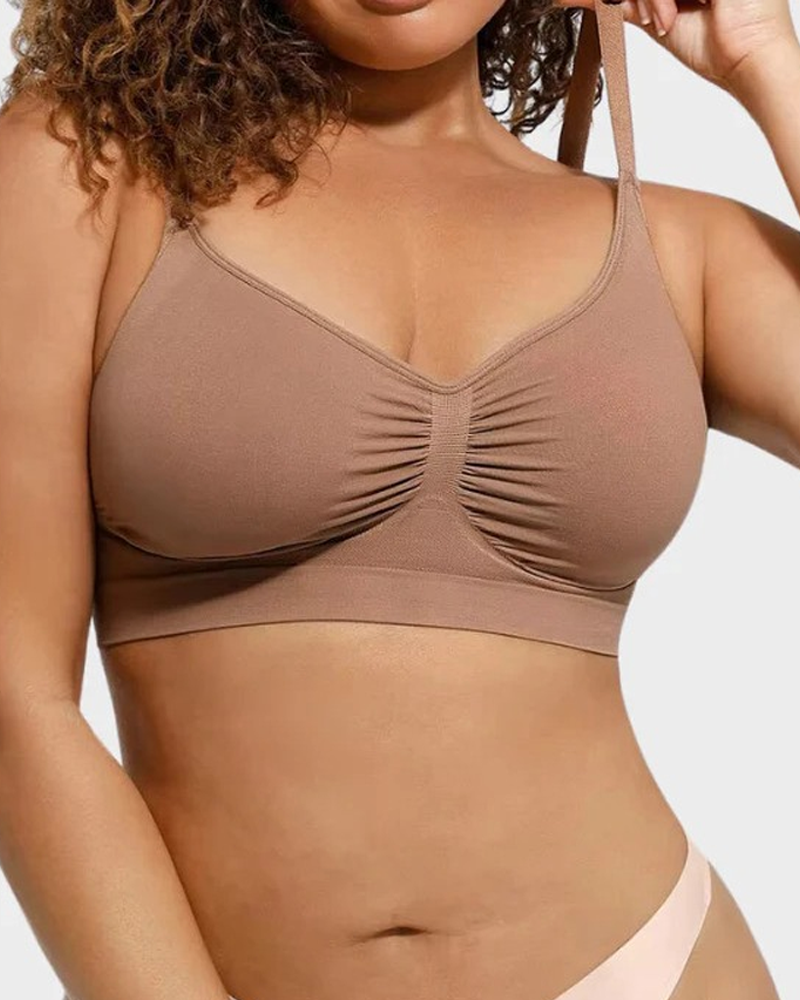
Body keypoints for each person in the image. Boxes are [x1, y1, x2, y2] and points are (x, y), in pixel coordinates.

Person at [0, 0, 796, 997]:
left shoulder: (677, 246)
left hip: (655, 965)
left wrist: (770, 67)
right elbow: (17, 695)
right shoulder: (81, 166)